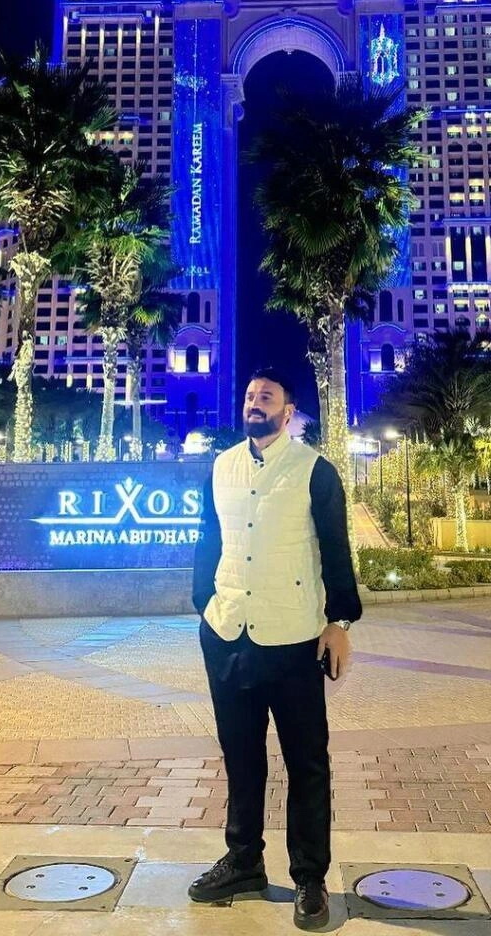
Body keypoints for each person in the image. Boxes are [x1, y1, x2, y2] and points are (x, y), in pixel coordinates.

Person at [188, 367, 362, 931]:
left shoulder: (314, 470)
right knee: (240, 755)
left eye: (266, 397)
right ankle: (243, 861)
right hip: (229, 633)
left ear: (288, 412)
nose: (254, 403)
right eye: (250, 395)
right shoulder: (222, 465)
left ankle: (310, 877)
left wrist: (339, 621)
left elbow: (335, 549)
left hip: (293, 639)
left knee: (306, 761)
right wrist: (204, 604)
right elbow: (208, 537)